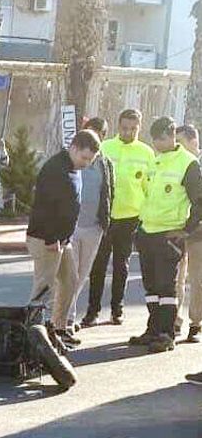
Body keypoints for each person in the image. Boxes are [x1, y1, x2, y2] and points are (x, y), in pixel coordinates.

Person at [130, 117, 202, 353]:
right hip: (147, 230)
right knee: (151, 286)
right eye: (155, 140)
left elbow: (199, 202)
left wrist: (187, 230)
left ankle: (166, 333)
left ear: (171, 136)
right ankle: (153, 329)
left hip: (169, 234)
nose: (157, 144)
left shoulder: (188, 163)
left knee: (166, 286)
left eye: (160, 139)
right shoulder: (156, 160)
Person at [26, 130, 101, 347]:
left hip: (62, 238)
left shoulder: (73, 167)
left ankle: (58, 328)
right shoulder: (55, 169)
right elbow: (46, 205)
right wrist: (51, 239)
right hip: (46, 238)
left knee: (70, 281)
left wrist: (62, 238)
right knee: (44, 288)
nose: (86, 163)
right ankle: (32, 335)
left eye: (91, 160)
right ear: (74, 148)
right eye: (84, 158)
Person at [83, 109, 155, 327]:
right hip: (105, 217)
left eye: (133, 128)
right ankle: (93, 311)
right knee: (98, 265)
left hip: (130, 217)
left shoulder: (146, 153)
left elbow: (149, 188)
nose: (128, 132)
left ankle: (117, 310)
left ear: (139, 128)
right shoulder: (104, 148)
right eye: (124, 128)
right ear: (118, 126)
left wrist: (145, 215)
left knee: (121, 265)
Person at [63, 118, 114, 341]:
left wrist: (105, 221)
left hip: (94, 227)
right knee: (68, 277)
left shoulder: (105, 163)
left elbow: (110, 191)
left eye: (99, 134)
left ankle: (66, 317)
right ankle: (63, 320)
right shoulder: (70, 160)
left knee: (82, 275)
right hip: (72, 227)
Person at [175, 124, 202, 343]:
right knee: (176, 278)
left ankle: (195, 323)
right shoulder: (175, 163)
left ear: (194, 143)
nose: (177, 147)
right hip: (176, 228)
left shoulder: (198, 165)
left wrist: (189, 227)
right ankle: (174, 321)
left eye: (180, 143)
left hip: (196, 230)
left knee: (196, 278)